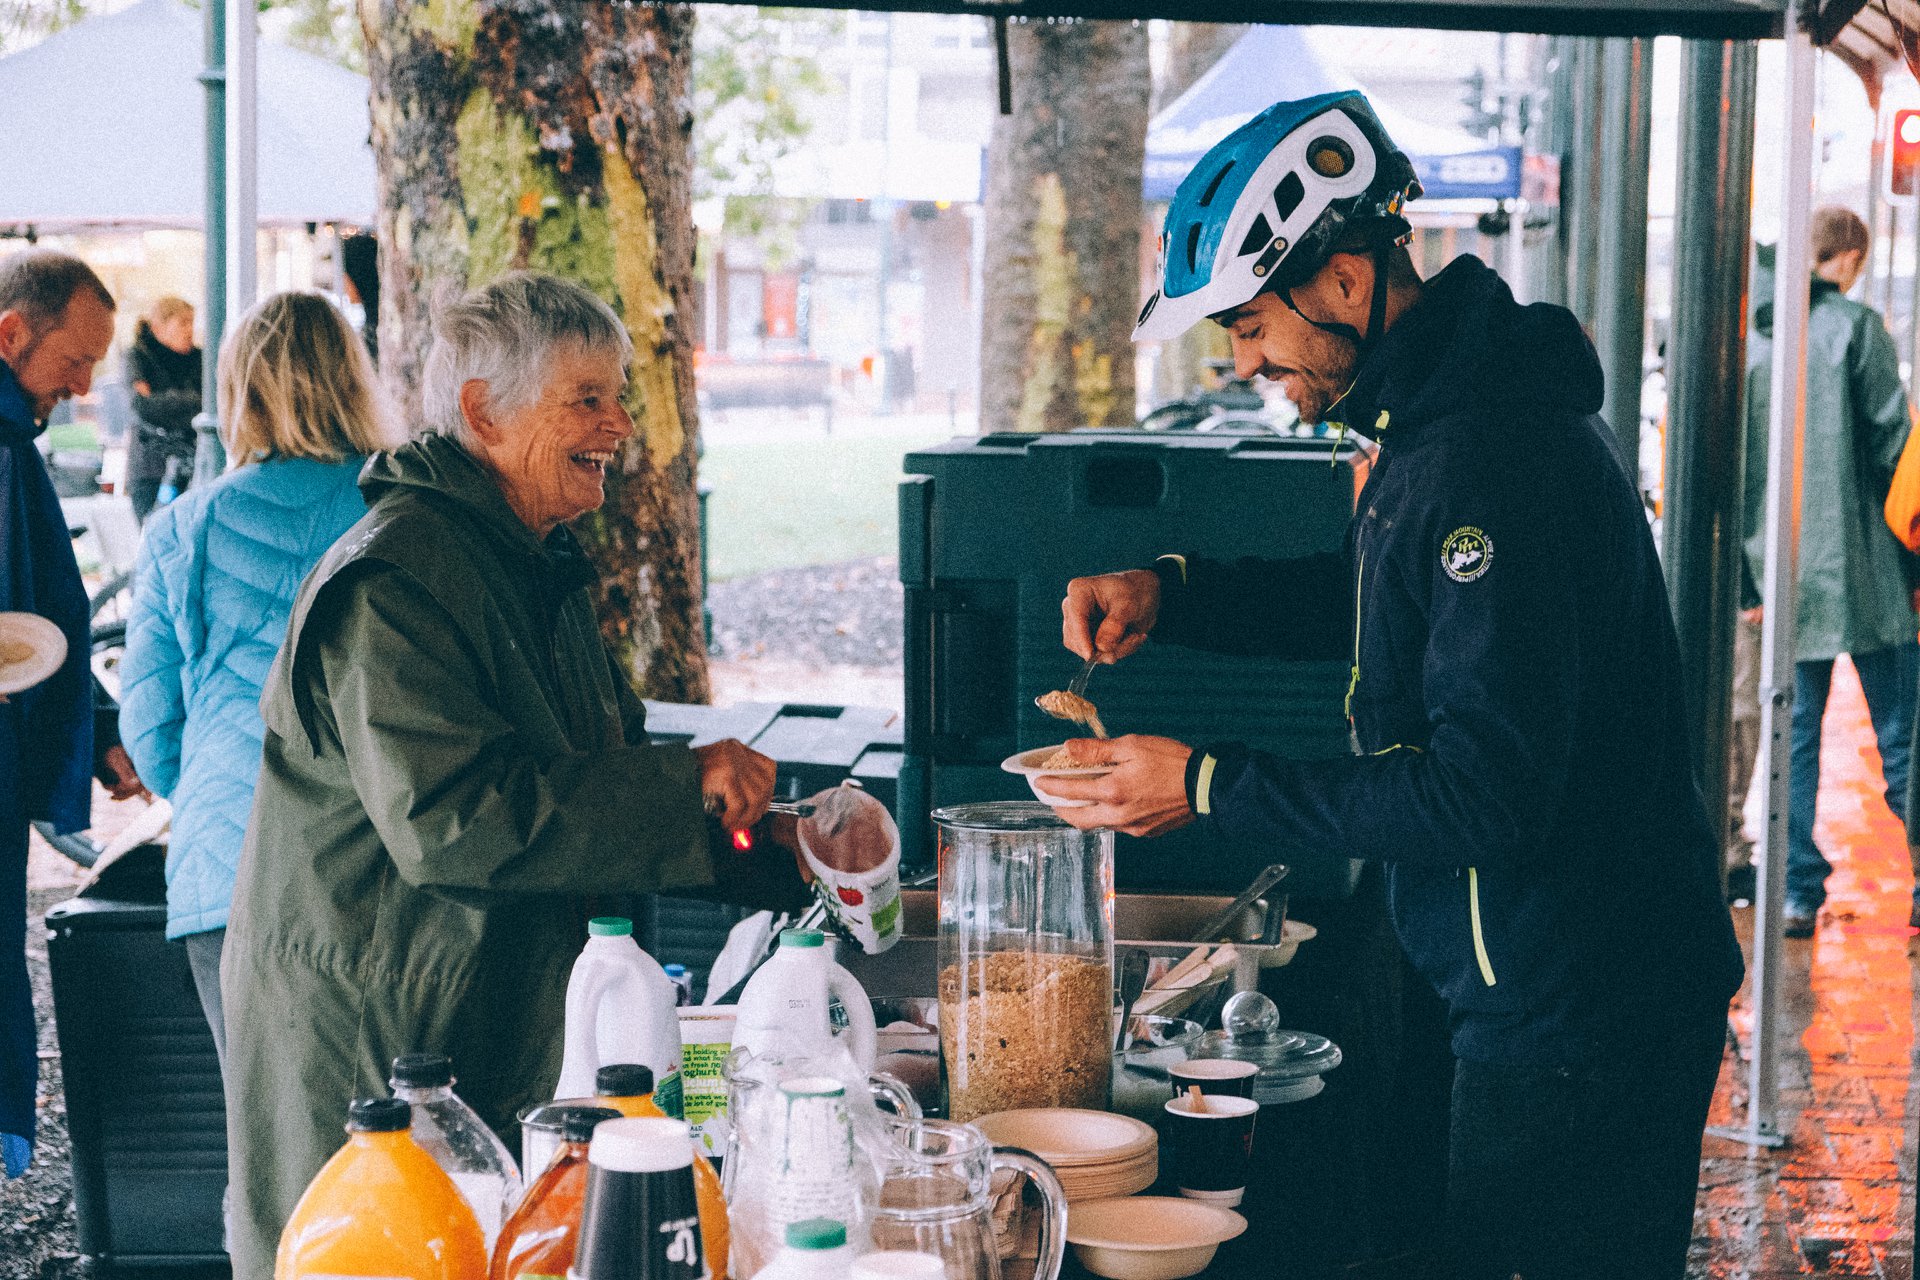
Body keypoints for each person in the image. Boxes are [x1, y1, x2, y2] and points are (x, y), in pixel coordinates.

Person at [1045, 92, 1742, 1279]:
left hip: (1583, 1010)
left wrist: (1208, 783)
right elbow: (1387, 599)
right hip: (1529, 982)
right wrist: (1178, 590)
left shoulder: (1487, 459)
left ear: (1349, 284)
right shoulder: (1436, 424)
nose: (1243, 360)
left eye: (1255, 324)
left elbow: (1483, 794)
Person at [219, 272, 809, 1279]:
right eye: (587, 397)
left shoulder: (531, 561)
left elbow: (601, 787)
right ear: (483, 410)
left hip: (481, 1002)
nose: (619, 424)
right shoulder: (397, 578)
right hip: (385, 1028)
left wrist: (780, 843)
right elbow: (454, 818)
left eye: (618, 394)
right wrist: (687, 786)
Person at [119, 292, 406, 1070]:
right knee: (400, 1137)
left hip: (229, 860)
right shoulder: (405, 513)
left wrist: (219, 786)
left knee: (264, 1145)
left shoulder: (185, 527)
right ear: (355, 379)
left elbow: (149, 733)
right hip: (384, 854)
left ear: (237, 390)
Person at [0, 251, 144, 1178]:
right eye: (77, 359)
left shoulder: (18, 441)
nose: (87, 385)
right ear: (11, 333)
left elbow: (44, 609)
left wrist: (95, 730)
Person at [1745, 207, 1918, 938]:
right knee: (1904, 735)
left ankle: (1795, 894)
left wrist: (1751, 581)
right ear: (1846, 257)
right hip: (1868, 574)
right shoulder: (1856, 327)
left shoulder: (1759, 341)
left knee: (1797, 739)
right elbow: (1895, 448)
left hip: (1782, 572)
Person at [123, 295, 204, 521]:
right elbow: (143, 406)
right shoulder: (137, 356)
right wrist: (192, 402)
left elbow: (210, 404)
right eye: (183, 323)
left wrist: (165, 402)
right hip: (149, 468)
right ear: (159, 327)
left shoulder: (200, 359)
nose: (190, 330)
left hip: (192, 460)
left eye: (192, 322)